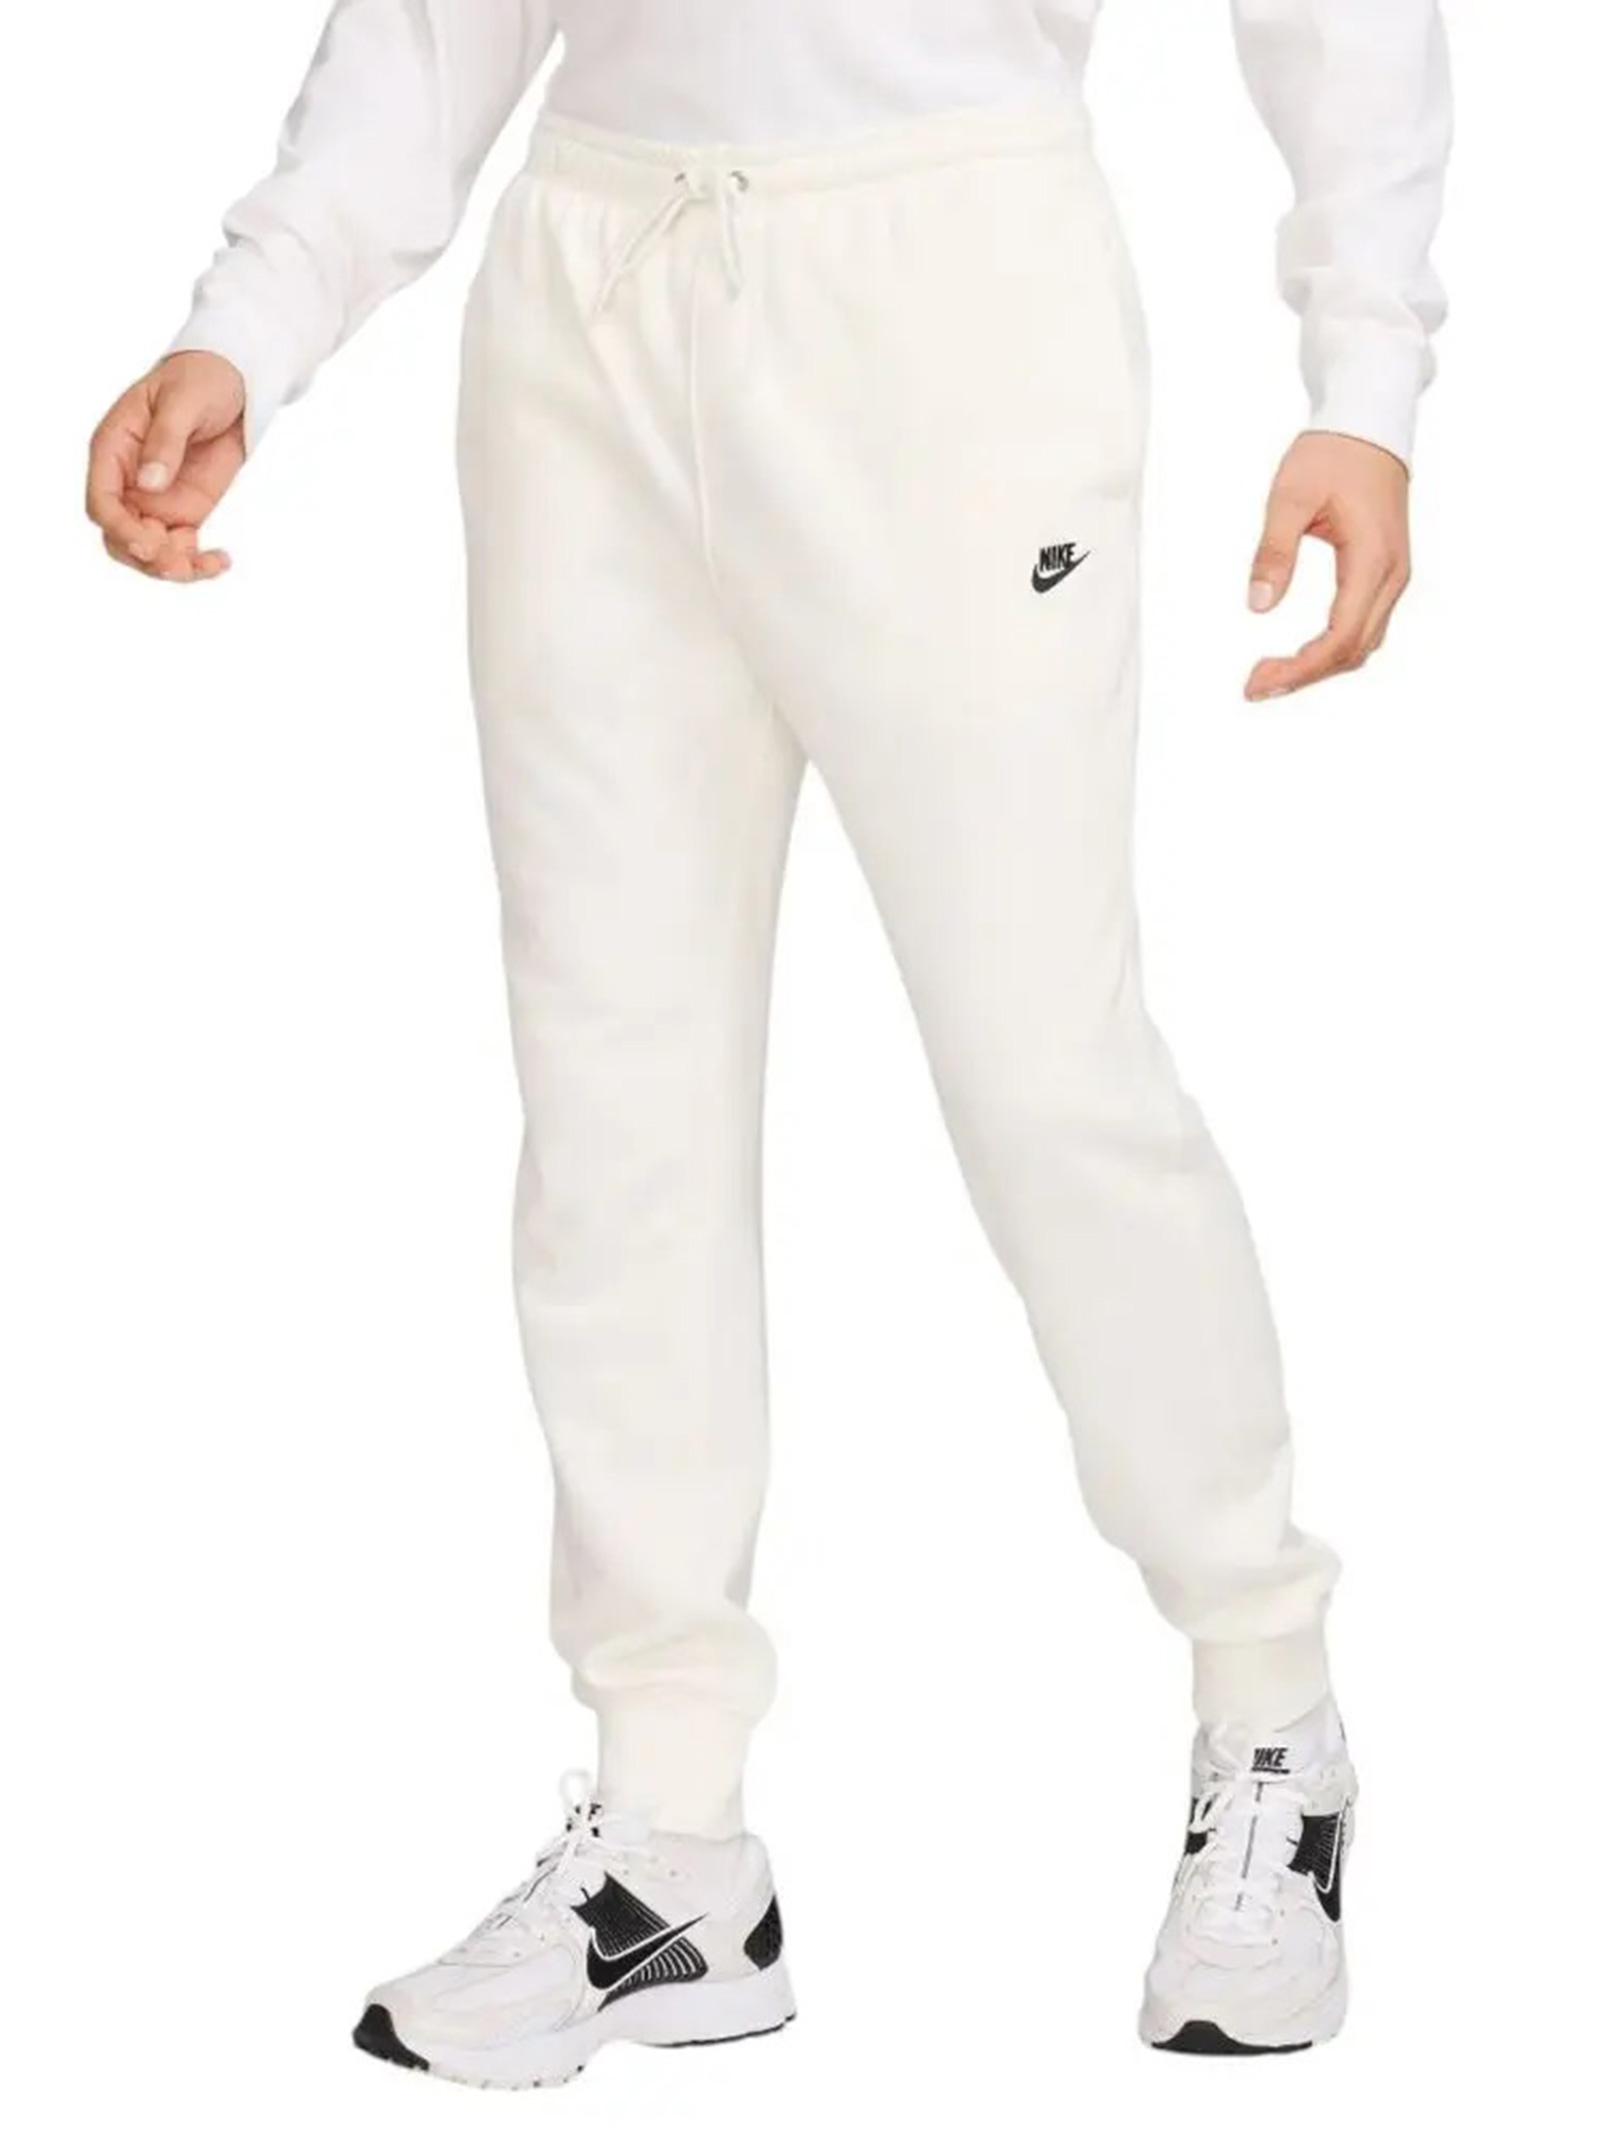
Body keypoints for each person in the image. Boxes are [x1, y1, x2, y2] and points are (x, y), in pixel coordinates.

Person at [84, 0, 1450, 2078]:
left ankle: (1273, 1710)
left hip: (945, 295)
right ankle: (670, 1846)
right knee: (612, 1101)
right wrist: (252, 322)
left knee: (1044, 1073)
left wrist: (1365, 376)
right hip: (589, 304)